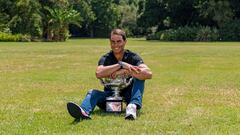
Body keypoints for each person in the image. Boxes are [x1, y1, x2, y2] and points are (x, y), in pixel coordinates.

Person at [67, 28, 152, 120]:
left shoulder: (132, 57)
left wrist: (127, 70)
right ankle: (83, 112)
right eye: (113, 41)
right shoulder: (106, 58)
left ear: (125, 42)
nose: (115, 45)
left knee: (140, 77)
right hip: (110, 95)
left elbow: (148, 73)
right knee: (93, 93)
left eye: (119, 41)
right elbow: (98, 73)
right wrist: (121, 64)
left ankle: (132, 107)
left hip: (129, 94)